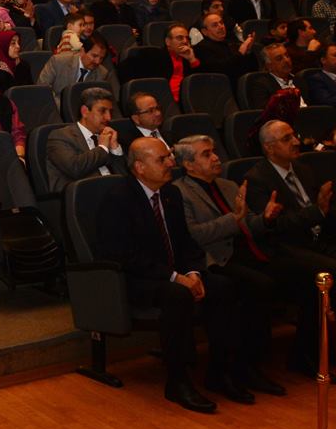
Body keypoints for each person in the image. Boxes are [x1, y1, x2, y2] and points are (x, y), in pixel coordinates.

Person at [98, 138, 240, 414]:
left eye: (169, 158)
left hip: (173, 273)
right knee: (177, 295)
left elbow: (186, 243)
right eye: (161, 160)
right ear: (139, 167)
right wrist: (176, 277)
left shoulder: (171, 193)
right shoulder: (118, 199)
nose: (170, 163)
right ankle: (178, 381)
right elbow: (124, 255)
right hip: (135, 278)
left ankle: (220, 371)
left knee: (222, 286)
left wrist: (193, 273)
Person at [244, 120, 336, 376]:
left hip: (317, 243)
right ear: (269, 147)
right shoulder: (257, 179)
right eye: (287, 139)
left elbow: (319, 210)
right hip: (283, 250)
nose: (296, 142)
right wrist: (318, 212)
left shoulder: (303, 169)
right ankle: (306, 353)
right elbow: (275, 226)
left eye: (294, 136)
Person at [171, 135, 288, 401]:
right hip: (213, 259)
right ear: (188, 164)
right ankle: (229, 371)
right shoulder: (179, 192)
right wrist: (233, 219)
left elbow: (248, 224)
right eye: (206, 154)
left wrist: (265, 219)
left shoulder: (227, 185)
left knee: (278, 277)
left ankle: (251, 365)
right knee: (256, 286)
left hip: (243, 253)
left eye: (214, 152)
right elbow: (193, 235)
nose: (216, 158)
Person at [47, 85, 127, 192]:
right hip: (84, 195)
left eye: (110, 112)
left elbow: (125, 176)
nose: (109, 117)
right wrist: (102, 148)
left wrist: (115, 149)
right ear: (85, 111)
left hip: (114, 192)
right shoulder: (61, 136)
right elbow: (75, 168)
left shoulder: (108, 135)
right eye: (102, 111)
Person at [37, 34, 111, 97]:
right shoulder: (58, 62)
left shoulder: (102, 73)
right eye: (94, 56)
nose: (98, 62)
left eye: (101, 58)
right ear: (82, 51)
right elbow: (42, 90)